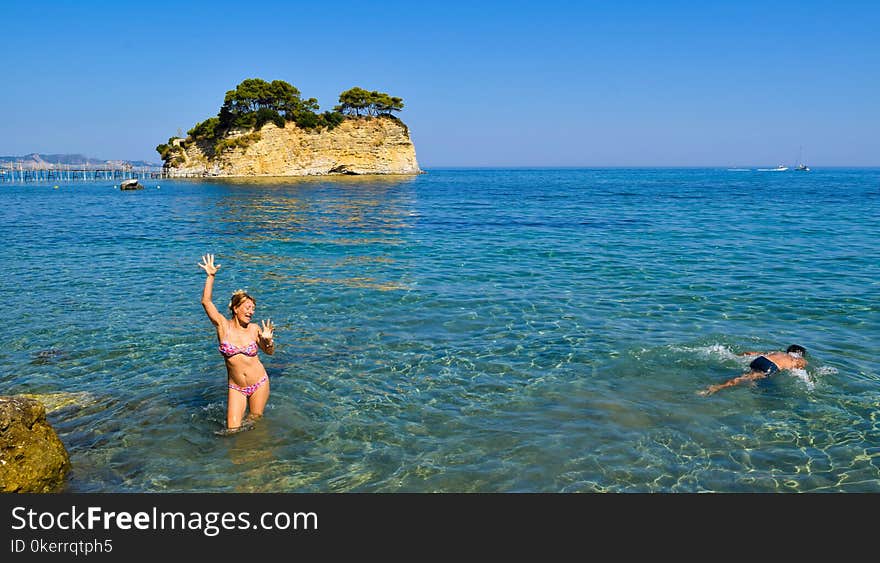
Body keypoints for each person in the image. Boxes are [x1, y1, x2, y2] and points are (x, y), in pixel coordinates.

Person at [198, 253, 275, 431]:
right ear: (235, 307)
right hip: (236, 387)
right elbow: (206, 302)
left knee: (254, 422)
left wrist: (268, 342)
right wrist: (210, 276)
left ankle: (254, 453)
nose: (251, 312)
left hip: (259, 383)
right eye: (247, 307)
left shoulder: (255, 329)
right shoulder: (223, 326)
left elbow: (269, 352)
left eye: (253, 309)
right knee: (232, 430)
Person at [698, 344, 808, 396]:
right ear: (801, 354)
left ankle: (751, 384)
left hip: (760, 360)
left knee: (750, 377)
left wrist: (735, 356)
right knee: (743, 378)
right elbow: (800, 371)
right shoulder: (799, 359)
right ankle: (716, 387)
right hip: (770, 366)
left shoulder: (778, 352)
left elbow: (751, 353)